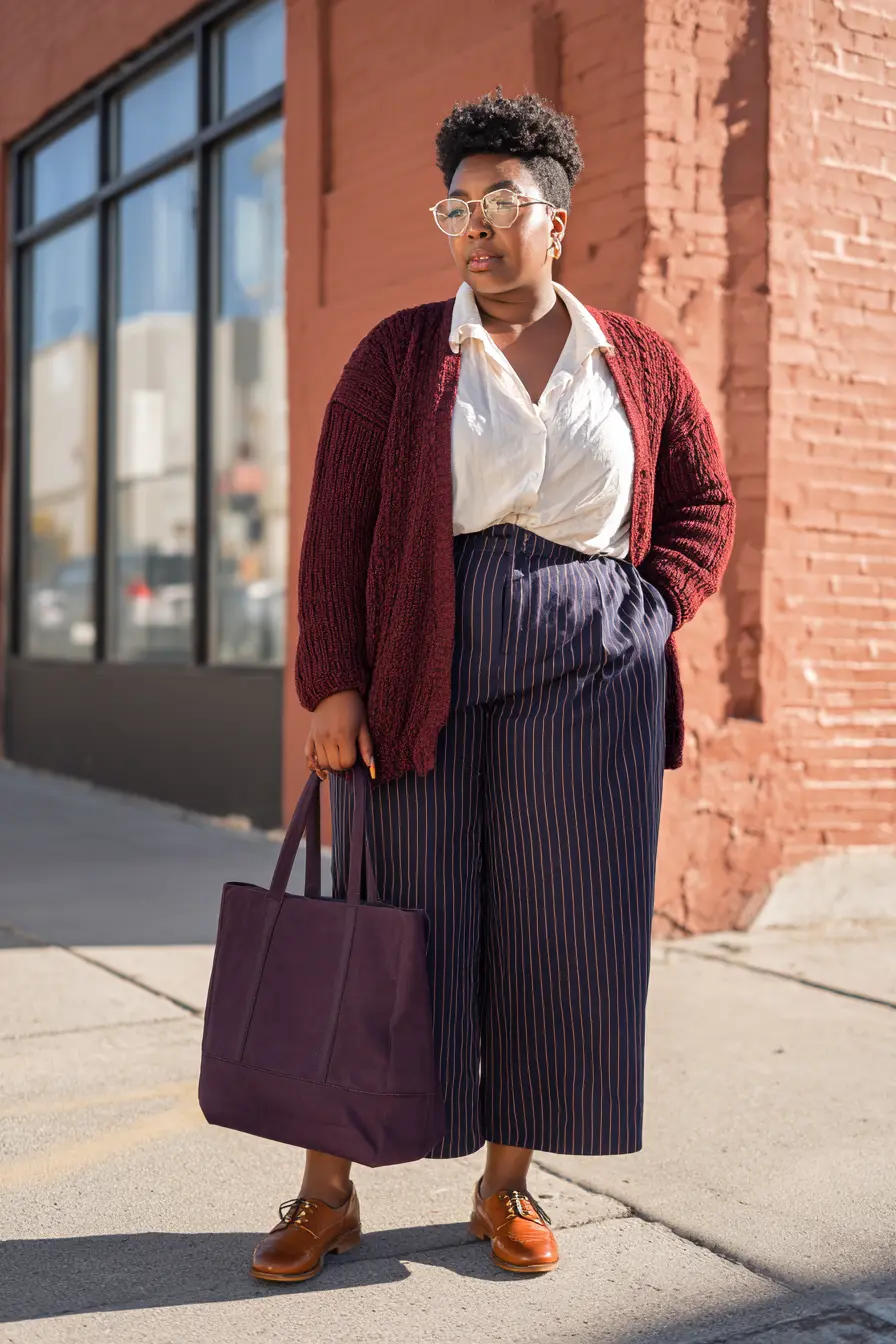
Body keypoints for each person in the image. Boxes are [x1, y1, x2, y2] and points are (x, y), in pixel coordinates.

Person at [251, 89, 735, 1283]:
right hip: (427, 660)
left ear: (554, 219)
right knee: (391, 921)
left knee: (559, 930)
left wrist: (647, 611)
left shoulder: (641, 362)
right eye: (454, 207)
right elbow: (336, 529)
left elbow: (703, 503)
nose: (471, 225)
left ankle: (505, 1183)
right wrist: (334, 684)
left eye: (498, 202)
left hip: (593, 669)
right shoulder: (398, 353)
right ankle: (326, 1192)